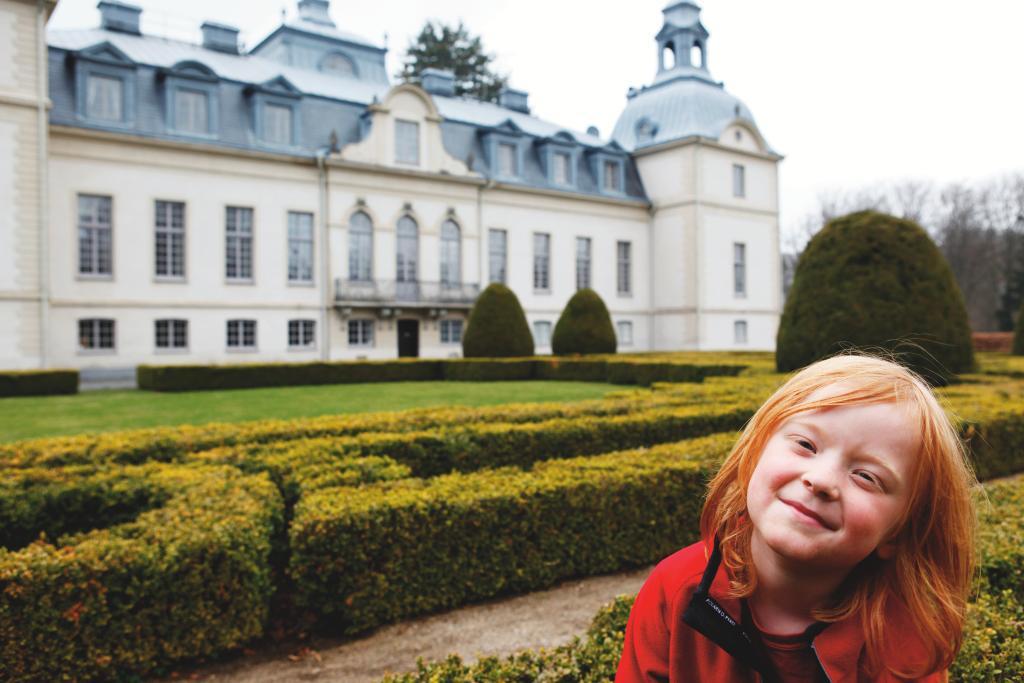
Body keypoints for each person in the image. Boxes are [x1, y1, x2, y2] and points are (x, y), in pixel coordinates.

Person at [616, 354, 977, 682]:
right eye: (805, 445)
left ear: (898, 533)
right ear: (754, 454)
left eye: (866, 476)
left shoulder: (903, 642)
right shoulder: (675, 588)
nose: (821, 480)